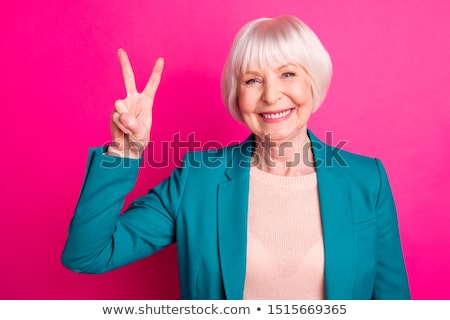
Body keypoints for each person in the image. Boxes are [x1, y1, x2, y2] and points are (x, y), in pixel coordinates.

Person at [62, 15, 410, 300]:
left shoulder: (367, 181)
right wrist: (124, 150)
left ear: (313, 83)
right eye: (253, 80)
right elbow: (89, 254)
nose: (271, 95)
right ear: (237, 94)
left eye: (287, 74)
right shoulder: (198, 180)